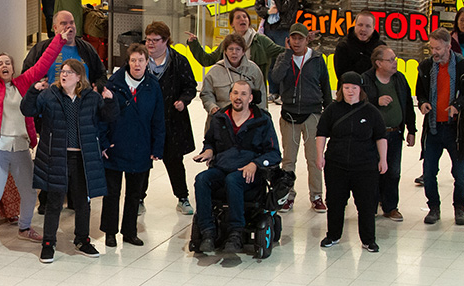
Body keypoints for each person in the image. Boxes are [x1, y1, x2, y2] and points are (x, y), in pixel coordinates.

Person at [0, 17, 64, 243]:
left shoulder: (24, 83)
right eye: (0, 63)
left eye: (8, 63)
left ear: (13, 66)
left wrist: (59, 39)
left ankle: (24, 228)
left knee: (30, 193)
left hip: (20, 147)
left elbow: (44, 63)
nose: (4, 66)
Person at [21, 59, 118, 263]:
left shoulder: (91, 97)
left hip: (82, 157)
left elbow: (108, 117)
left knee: (82, 201)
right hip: (56, 155)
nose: (64, 75)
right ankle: (49, 242)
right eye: (62, 71)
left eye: (69, 72)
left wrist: (110, 100)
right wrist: (33, 90)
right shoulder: (49, 95)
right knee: (54, 201)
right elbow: (27, 110)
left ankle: (82, 239)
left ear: (79, 77)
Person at [190, 80, 281, 254]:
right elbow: (209, 141)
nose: (238, 98)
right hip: (222, 168)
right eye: (236, 93)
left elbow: (274, 153)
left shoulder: (262, 121)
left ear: (251, 98)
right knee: (201, 180)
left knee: (233, 180)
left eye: (243, 94)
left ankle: (235, 232)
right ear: (230, 95)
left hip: (249, 173)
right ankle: (207, 231)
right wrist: (208, 151)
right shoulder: (219, 118)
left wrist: (256, 163)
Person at [101, 43, 165, 248]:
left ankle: (130, 231)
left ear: (148, 62)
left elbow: (158, 119)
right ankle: (110, 233)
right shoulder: (113, 84)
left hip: (141, 147)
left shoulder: (153, 86)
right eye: (133, 60)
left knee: (134, 194)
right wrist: (103, 143)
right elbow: (101, 118)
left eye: (141, 60)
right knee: (112, 193)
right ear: (127, 63)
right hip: (114, 147)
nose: (137, 64)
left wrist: (157, 148)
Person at [316, 72, 387, 252]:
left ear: (361, 90)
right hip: (336, 163)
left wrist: (383, 159)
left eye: (354, 88)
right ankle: (333, 235)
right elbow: (321, 133)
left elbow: (380, 136)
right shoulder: (332, 110)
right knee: (335, 201)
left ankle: (368, 239)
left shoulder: (371, 111)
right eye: (346, 88)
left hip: (365, 166)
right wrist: (319, 155)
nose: (350, 91)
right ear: (341, 89)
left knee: (366, 203)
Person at [416, 28, 464, 226]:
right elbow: (420, 92)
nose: (434, 52)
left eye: (438, 48)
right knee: (428, 172)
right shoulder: (426, 67)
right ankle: (433, 207)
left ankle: (460, 207)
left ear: (448, 46)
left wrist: (457, 106)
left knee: (459, 173)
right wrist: (424, 103)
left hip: (455, 129)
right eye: (432, 47)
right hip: (433, 128)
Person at [268, 22, 333, 212]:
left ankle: (317, 195)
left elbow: (325, 85)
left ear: (307, 39)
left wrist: (328, 113)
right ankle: (287, 195)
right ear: (288, 39)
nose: (296, 42)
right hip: (289, 114)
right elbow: (276, 78)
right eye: (293, 38)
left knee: (314, 158)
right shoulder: (282, 57)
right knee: (289, 159)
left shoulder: (317, 59)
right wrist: (288, 55)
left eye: (300, 38)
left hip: (312, 114)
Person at [142, 21, 198, 215]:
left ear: (166, 41)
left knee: (174, 161)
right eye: (148, 40)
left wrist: (183, 101)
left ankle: (182, 198)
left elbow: (190, 87)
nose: (150, 44)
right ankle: (139, 199)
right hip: (145, 122)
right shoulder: (139, 60)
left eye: (155, 40)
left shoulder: (179, 61)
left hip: (172, 120)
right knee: (142, 160)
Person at [360, 46, 416, 222]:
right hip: (373, 135)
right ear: (378, 63)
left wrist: (411, 129)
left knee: (393, 171)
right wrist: (376, 101)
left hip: (395, 133)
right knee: (372, 170)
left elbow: (407, 104)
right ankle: (372, 203)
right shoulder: (366, 80)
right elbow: (359, 104)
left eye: (395, 59)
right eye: (390, 60)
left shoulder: (399, 79)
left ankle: (391, 206)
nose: (395, 63)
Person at [186, 8, 284, 80]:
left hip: (254, 90)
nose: (243, 19)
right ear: (232, 24)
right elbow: (207, 60)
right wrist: (194, 44)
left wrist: (293, 46)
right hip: (231, 91)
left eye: (245, 17)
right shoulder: (228, 42)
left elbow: (281, 52)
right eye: (238, 17)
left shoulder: (260, 40)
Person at [22, 9, 106, 87]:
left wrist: (98, 87)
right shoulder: (41, 48)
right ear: (55, 28)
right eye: (64, 23)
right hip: (51, 99)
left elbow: (101, 74)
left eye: (72, 23)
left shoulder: (87, 48)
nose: (69, 26)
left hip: (82, 99)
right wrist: (38, 85)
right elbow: (26, 75)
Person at [199, 32, 266, 114]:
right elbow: (206, 94)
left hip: (247, 119)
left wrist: (260, 115)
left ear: (243, 52)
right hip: (221, 118)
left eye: (238, 49)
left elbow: (261, 95)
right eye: (230, 49)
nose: (234, 52)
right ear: (225, 51)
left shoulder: (253, 69)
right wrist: (212, 107)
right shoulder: (214, 72)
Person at [332, 10, 383, 82]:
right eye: (360, 25)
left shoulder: (380, 47)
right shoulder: (343, 46)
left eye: (368, 26)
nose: (363, 29)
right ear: (355, 25)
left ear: (373, 28)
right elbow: (342, 76)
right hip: (350, 91)